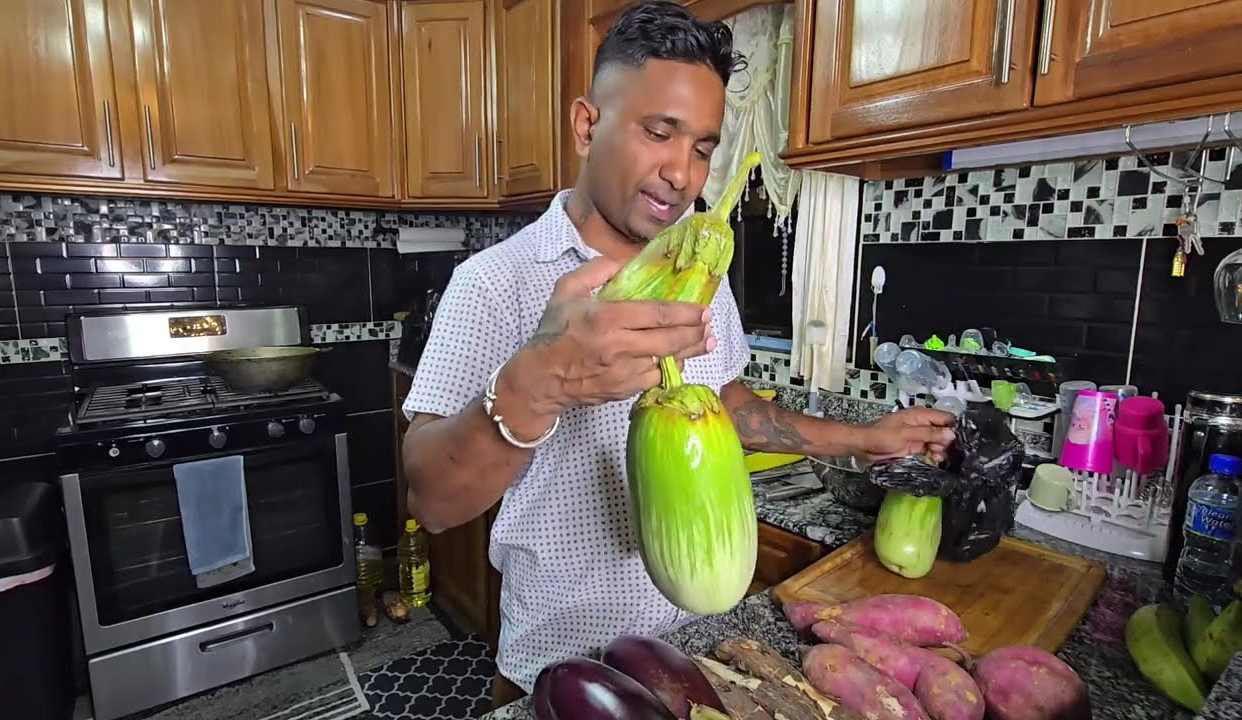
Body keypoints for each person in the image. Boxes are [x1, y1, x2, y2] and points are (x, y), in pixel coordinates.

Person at [399, 0, 956, 707]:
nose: (681, 174)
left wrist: (860, 438)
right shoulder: (494, 284)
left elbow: (725, 405)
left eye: (702, 148)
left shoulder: (695, 266)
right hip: (558, 661)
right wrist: (540, 382)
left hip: (691, 649)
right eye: (659, 133)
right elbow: (433, 501)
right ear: (586, 124)